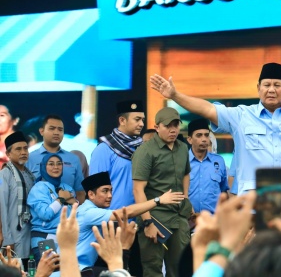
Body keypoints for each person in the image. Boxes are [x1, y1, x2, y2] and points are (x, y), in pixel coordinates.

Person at [149, 62, 281, 236]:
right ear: (258, 88)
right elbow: (207, 108)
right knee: (254, 266)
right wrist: (175, 95)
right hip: (253, 208)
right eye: (266, 84)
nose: (271, 89)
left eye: (277, 85)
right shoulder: (241, 116)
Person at [75, 171, 185, 269]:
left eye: (111, 191)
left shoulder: (93, 211)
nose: (110, 195)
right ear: (91, 194)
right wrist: (159, 200)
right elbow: (126, 212)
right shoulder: (88, 212)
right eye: (105, 191)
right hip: (78, 268)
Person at [132, 107, 192, 277]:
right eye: (168, 126)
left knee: (181, 268)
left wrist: (185, 197)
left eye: (176, 125)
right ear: (157, 127)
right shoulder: (145, 151)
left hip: (178, 215)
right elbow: (138, 190)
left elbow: (186, 173)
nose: (173, 130)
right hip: (155, 217)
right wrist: (147, 223)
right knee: (153, 270)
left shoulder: (182, 148)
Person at [90, 101, 145, 210]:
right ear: (122, 120)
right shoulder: (104, 149)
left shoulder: (142, 148)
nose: (142, 124)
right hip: (113, 218)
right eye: (137, 119)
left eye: (143, 120)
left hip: (140, 217)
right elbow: (95, 190)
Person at [27, 153, 77, 264]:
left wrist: (74, 202)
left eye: (59, 164)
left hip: (64, 241)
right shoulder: (39, 188)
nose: (56, 167)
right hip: (44, 239)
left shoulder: (67, 188)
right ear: (44, 167)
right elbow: (45, 214)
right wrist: (61, 199)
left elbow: (76, 216)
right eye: (51, 164)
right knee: (50, 274)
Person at [27, 115, 86, 203]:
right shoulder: (29, 158)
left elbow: (80, 192)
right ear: (41, 131)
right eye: (52, 128)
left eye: (60, 129)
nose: (56, 132)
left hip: (68, 215)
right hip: (39, 215)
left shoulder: (73, 159)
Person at [0, 132, 36, 264]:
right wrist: (7, 238)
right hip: (14, 236)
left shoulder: (30, 175)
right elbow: (2, 207)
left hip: (30, 233)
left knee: (30, 269)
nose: (23, 152)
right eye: (18, 149)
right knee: (16, 270)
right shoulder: (4, 174)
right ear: (8, 154)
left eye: (25, 148)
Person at [187, 118, 229, 214]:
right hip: (187, 222)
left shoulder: (219, 161)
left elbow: (224, 191)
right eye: (199, 135)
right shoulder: (182, 161)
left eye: (206, 135)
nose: (204, 139)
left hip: (214, 222)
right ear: (190, 140)